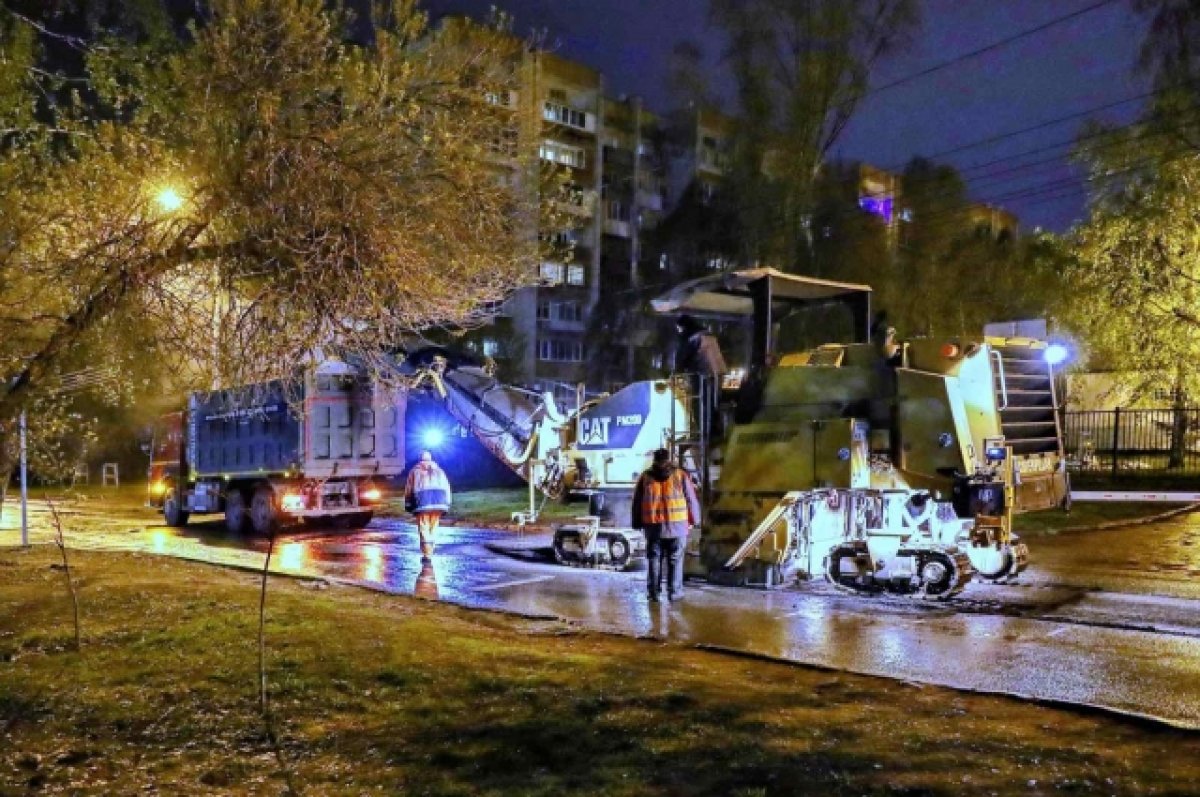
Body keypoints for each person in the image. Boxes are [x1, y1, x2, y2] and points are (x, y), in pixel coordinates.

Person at [631, 448, 701, 602]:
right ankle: (674, 593)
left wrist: (636, 523)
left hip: (653, 527)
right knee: (675, 560)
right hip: (677, 527)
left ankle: (654, 593)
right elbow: (691, 498)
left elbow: (637, 501)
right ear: (669, 459)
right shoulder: (680, 475)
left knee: (654, 559)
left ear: (654, 460)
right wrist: (695, 520)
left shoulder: (646, 477)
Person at [404, 450, 452, 563]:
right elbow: (447, 488)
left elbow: (408, 490)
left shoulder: (414, 472)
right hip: (439, 504)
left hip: (423, 504)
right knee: (433, 527)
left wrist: (408, 505)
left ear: (419, 459)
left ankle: (427, 554)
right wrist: (447, 503)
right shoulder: (440, 471)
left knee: (424, 528)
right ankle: (430, 551)